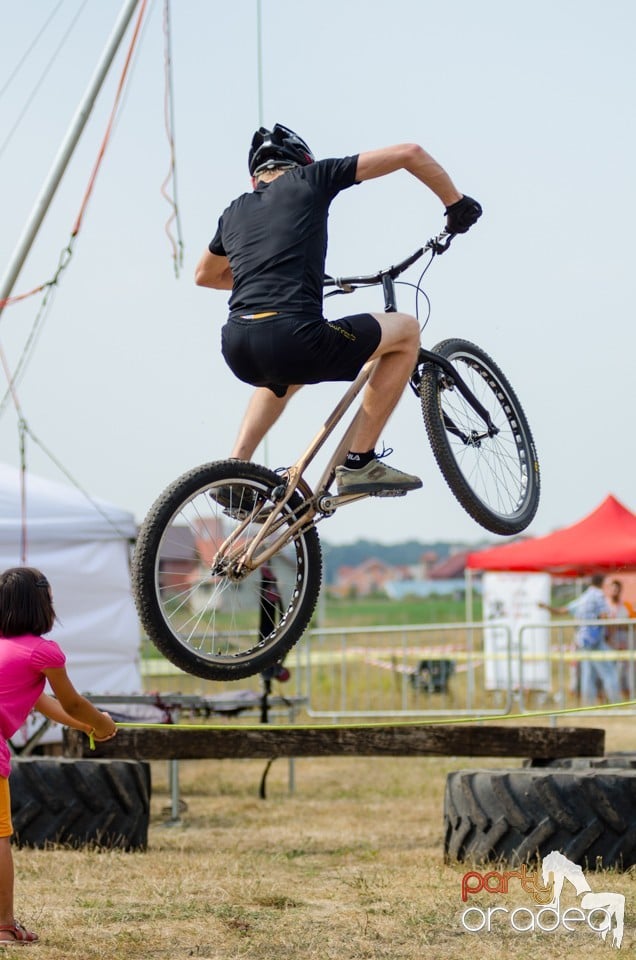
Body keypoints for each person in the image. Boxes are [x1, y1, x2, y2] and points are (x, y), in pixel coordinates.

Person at [195, 123, 482, 497]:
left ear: (255, 179)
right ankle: (360, 462)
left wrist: (265, 272)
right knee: (406, 329)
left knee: (281, 375)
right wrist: (455, 204)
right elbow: (409, 152)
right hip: (295, 338)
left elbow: (205, 275)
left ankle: (235, 475)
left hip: (237, 348)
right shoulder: (313, 178)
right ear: (301, 162)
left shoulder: (234, 211)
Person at [0, 566, 117, 945]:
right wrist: (101, 724)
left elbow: (41, 700)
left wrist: (85, 727)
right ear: (43, 605)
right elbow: (72, 701)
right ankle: (3, 926)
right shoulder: (43, 652)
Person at [539, 574, 620, 705]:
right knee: (609, 672)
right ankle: (617, 702)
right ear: (602, 583)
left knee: (588, 674)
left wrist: (546, 607)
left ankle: (588, 703)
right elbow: (605, 617)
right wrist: (611, 633)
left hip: (582, 640)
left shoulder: (584, 597)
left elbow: (561, 611)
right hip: (595, 640)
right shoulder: (599, 596)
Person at [605, 578, 635, 700]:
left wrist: (621, 625)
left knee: (625, 671)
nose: (614, 592)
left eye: (616, 589)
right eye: (612, 589)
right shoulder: (604, 605)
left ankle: (627, 695)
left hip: (625, 644)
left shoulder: (626, 606)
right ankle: (611, 696)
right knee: (611, 671)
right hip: (609, 644)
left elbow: (633, 624)